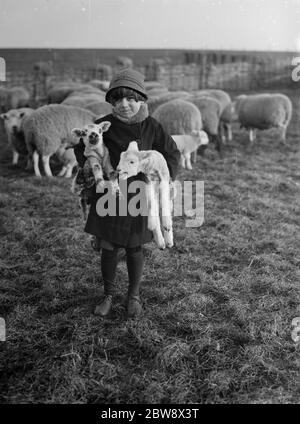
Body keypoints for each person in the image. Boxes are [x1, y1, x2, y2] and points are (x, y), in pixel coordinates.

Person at [74, 68, 180, 319]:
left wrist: (166, 178)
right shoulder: (102, 126)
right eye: (117, 99)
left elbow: (171, 153)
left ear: (141, 99)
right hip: (110, 193)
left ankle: (133, 295)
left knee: (134, 247)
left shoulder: (151, 126)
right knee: (109, 246)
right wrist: (90, 163)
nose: (124, 105)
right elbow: (84, 149)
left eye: (131, 99)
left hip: (140, 194)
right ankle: (108, 294)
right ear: (111, 102)